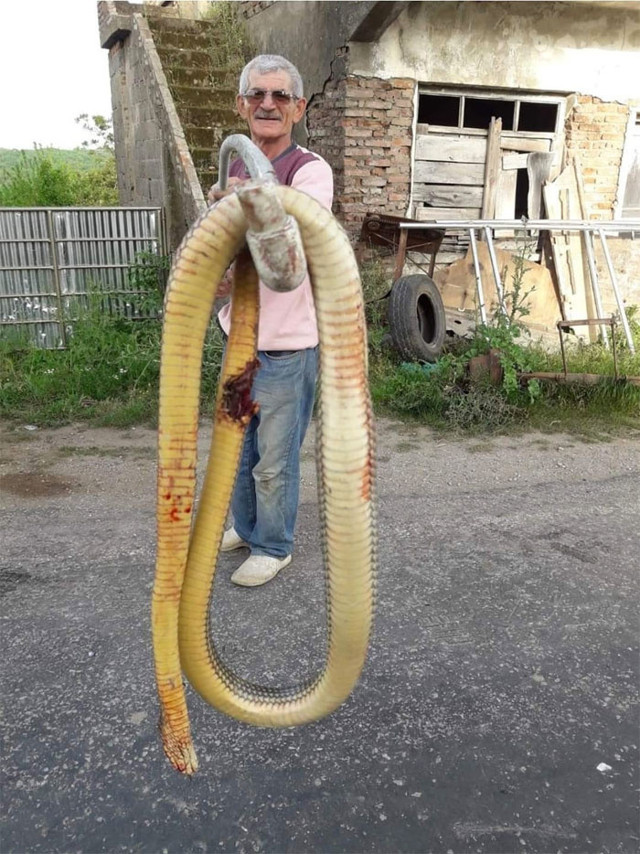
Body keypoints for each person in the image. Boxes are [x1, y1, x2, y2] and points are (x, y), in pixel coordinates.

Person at [209, 55, 334, 588]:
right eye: (257, 94)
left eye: (280, 96)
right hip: (239, 338)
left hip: (287, 347)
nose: (268, 104)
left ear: (298, 108)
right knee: (238, 449)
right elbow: (220, 256)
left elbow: (287, 244)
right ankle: (245, 525)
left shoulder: (310, 171)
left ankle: (274, 545)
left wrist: (237, 205)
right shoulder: (233, 171)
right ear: (241, 105)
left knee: (274, 459)